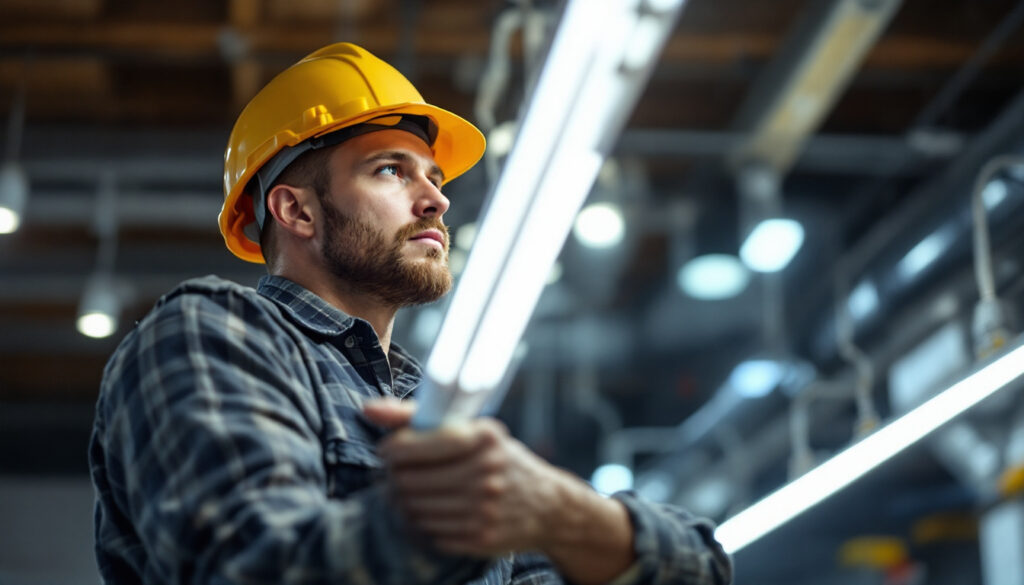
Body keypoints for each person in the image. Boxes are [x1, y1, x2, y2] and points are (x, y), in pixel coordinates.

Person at [89, 42, 732, 585]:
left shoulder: (430, 404)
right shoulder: (212, 334)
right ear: (297, 211)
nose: (436, 202)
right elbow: (252, 566)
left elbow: (702, 567)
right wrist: (443, 521)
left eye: (436, 179)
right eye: (392, 171)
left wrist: (566, 517)